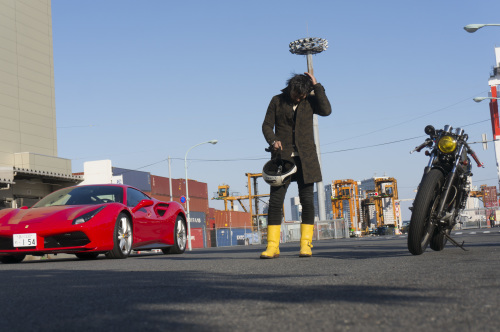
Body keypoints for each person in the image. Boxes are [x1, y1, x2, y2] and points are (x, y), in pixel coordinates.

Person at [261, 72, 332, 258]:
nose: (299, 98)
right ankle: (272, 247)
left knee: (307, 201)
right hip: (282, 160)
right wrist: (273, 140)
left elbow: (326, 110)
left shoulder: (310, 100)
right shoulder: (277, 100)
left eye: (302, 95)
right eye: (296, 94)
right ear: (291, 88)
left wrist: (317, 87)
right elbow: (266, 125)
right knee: (275, 202)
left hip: (306, 159)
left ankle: (306, 245)